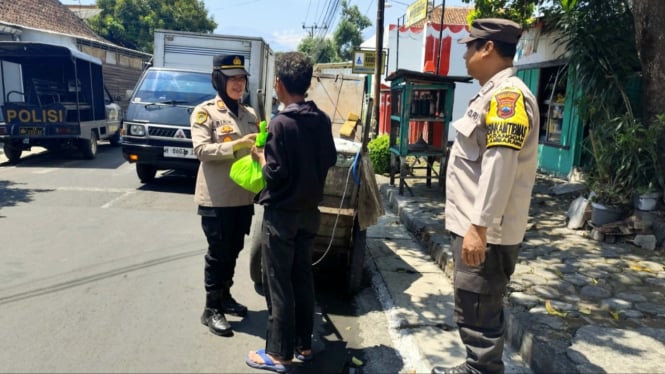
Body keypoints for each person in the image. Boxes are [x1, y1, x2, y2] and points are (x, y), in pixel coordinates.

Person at [431, 18, 539, 374]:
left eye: (470, 46)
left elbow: (499, 165)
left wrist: (479, 226)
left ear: (488, 48)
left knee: (478, 312)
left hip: (485, 231)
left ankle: (481, 369)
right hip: (477, 227)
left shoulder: (508, 96)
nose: (464, 54)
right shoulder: (490, 93)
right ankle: (475, 367)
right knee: (476, 307)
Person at [245, 51, 337, 373]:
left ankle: (279, 354)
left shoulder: (280, 123)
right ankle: (304, 345)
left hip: (282, 215)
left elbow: (274, 174)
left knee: (278, 284)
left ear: (280, 84)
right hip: (309, 213)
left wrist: (259, 156)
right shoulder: (321, 119)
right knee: (302, 278)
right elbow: (329, 159)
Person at [191, 54, 258, 338]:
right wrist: (236, 146)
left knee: (234, 250)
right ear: (219, 80)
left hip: (243, 198)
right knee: (218, 254)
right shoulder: (205, 113)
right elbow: (201, 150)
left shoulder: (251, 114)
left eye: (241, 79)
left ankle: (225, 296)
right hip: (216, 199)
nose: (238, 84)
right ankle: (211, 309)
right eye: (232, 79)